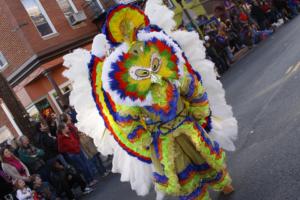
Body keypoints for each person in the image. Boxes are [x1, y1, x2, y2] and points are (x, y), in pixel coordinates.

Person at [57, 122, 97, 187]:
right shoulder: (60, 138)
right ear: (62, 129)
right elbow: (60, 149)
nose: (67, 127)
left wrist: (77, 144)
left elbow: (75, 138)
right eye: (66, 127)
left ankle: (92, 179)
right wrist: (69, 149)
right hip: (73, 154)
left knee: (86, 165)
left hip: (78, 150)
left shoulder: (69, 133)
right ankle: (89, 181)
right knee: (83, 167)